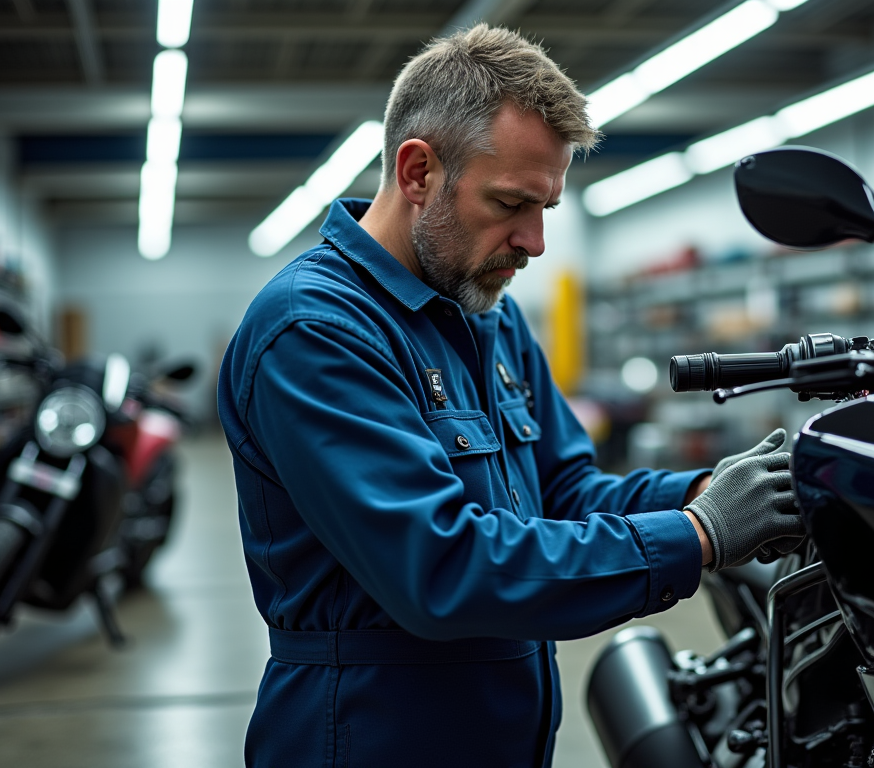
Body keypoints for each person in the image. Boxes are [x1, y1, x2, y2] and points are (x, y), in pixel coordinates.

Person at [217, 25, 803, 766]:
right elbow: (441, 566)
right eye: (510, 204)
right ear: (419, 171)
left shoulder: (487, 311)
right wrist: (699, 536)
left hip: (504, 734)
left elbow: (564, 490)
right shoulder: (316, 332)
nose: (535, 241)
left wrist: (722, 492)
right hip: (368, 735)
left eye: (547, 207)